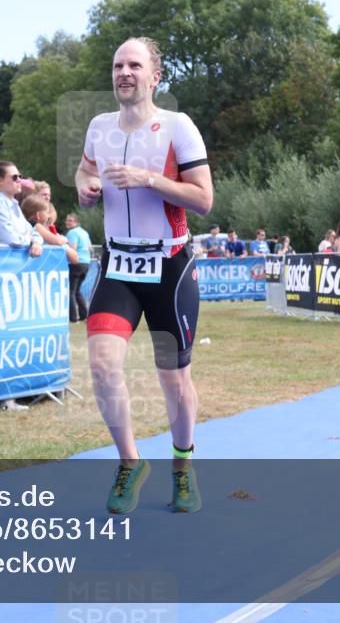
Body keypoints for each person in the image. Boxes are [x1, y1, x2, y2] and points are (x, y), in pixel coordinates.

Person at [76, 37, 212, 514]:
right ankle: (130, 462)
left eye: (135, 64)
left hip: (169, 266)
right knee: (101, 364)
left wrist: (149, 179)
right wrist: (86, 189)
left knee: (174, 380)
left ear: (155, 76)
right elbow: (83, 171)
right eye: (118, 65)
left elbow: (203, 198)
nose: (124, 72)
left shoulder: (178, 127)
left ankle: (182, 468)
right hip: (118, 264)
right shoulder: (98, 127)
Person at [0, 161, 43, 255]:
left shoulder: (13, 204)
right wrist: (29, 239)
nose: (19, 180)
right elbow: (11, 239)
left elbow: (33, 232)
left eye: (20, 177)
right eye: (14, 177)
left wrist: (36, 243)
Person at [65, 212, 93, 323]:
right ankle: (84, 315)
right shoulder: (84, 232)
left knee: (71, 291)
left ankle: (73, 318)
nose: (67, 222)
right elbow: (90, 247)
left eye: (70, 220)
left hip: (76, 263)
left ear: (76, 222)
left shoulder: (72, 233)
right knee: (77, 291)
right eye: (67, 220)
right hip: (86, 263)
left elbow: (72, 249)